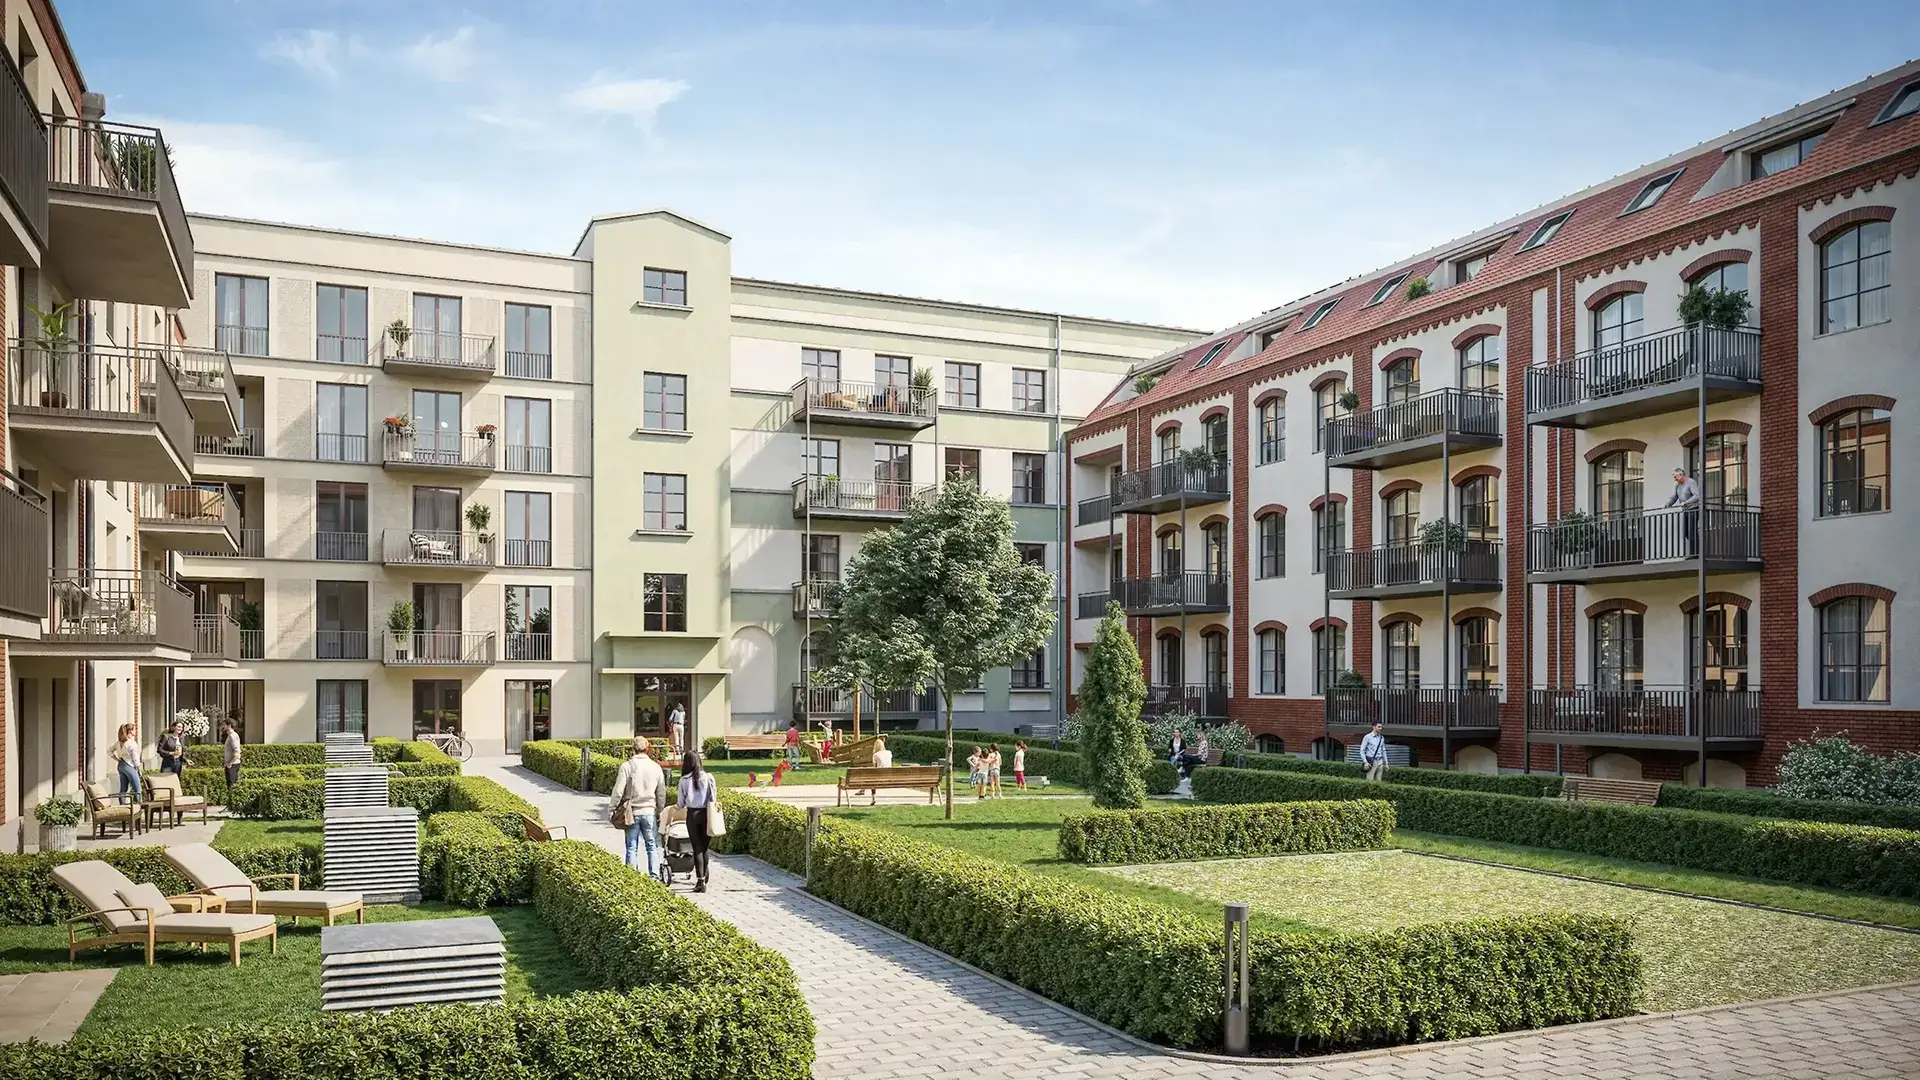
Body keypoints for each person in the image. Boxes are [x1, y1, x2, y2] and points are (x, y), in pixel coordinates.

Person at [611, 736, 667, 876]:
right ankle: (654, 877)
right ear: (647, 748)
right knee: (652, 846)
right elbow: (661, 793)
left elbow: (618, 791)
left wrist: (612, 808)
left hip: (631, 812)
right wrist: (660, 810)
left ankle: (632, 878)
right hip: (649, 811)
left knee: (631, 847)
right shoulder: (655, 767)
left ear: (632, 749)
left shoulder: (627, 766)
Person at [678, 751, 719, 892]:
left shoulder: (684, 780)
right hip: (706, 813)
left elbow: (681, 803)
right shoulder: (708, 777)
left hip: (692, 814)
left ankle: (700, 880)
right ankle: (704, 874)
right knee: (705, 847)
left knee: (696, 848)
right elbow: (713, 799)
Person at [1665, 467, 1702, 555]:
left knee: (1692, 531)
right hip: (1685, 510)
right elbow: (1674, 497)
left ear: (1681, 475)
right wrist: (1667, 504)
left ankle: (1696, 553)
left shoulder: (1691, 482)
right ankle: (1694, 552)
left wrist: (1686, 502)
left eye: (1675, 477)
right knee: (1686, 532)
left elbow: (1697, 496)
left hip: (1693, 509)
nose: (1675, 479)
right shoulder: (1678, 486)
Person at [113, 723, 144, 800]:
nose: (136, 731)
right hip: (129, 765)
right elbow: (135, 757)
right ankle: (138, 806)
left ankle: (122, 806)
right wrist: (138, 766)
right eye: (134, 729)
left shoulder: (119, 742)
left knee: (123, 789)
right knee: (137, 789)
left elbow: (109, 751)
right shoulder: (131, 743)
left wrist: (117, 759)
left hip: (121, 765)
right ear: (130, 731)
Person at [220, 720, 243, 789]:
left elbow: (237, 751)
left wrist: (230, 763)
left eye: (224, 725)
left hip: (233, 765)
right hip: (230, 764)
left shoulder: (233, 736)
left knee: (232, 786)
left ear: (229, 725)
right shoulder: (229, 735)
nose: (222, 727)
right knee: (230, 785)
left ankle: (232, 799)